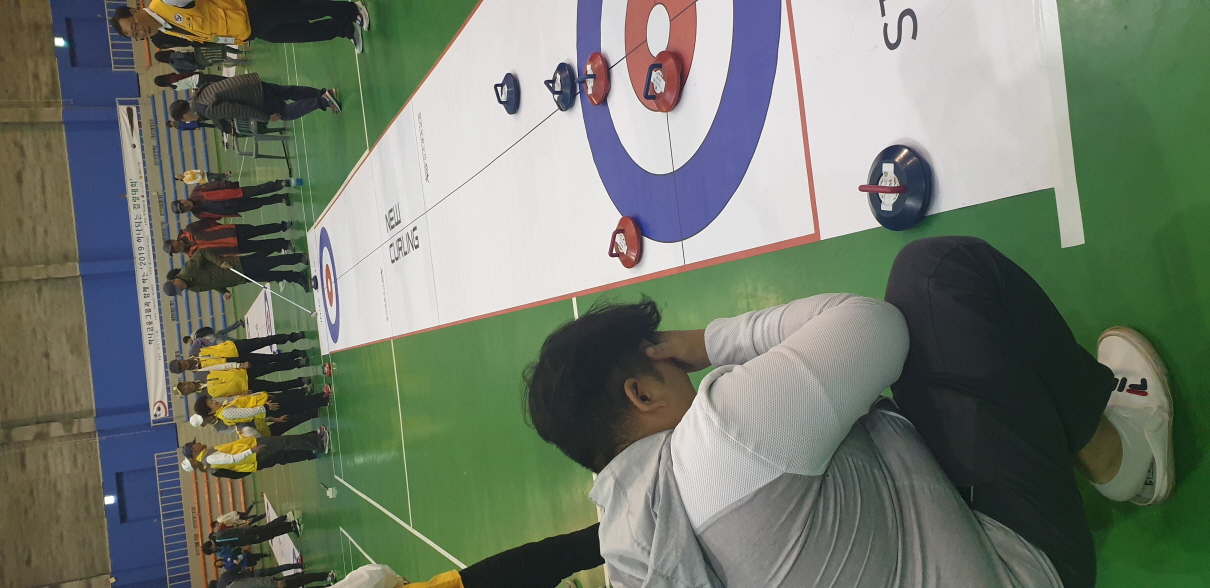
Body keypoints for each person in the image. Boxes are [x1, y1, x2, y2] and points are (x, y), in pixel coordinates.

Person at [522, 236, 1173, 588]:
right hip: (1021, 567)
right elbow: (875, 327)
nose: (684, 371)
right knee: (935, 273)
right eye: (665, 363)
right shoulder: (715, 442)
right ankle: (1124, 460)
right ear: (641, 395)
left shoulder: (641, 562)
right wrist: (712, 342)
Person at [110, 0, 370, 54]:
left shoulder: (167, 3)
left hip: (249, 9)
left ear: (135, 11)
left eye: (135, 26)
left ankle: (351, 10)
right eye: (135, 36)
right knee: (300, 34)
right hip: (248, 31)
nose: (140, 32)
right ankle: (344, 29)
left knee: (303, 9)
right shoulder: (167, 30)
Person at [169, 73, 341, 124]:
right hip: (249, 83)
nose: (187, 121)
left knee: (285, 113)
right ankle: (322, 93)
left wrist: (265, 118)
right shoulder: (198, 94)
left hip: (254, 96)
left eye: (184, 120)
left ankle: (324, 100)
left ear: (185, 115)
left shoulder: (206, 110)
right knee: (286, 91)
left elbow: (238, 110)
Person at [161, 249, 310, 298]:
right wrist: (224, 292)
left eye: (178, 287)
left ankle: (297, 257)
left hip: (237, 266)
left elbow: (202, 253)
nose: (182, 289)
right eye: (180, 291)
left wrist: (220, 263)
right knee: (271, 276)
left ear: (174, 281)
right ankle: (297, 277)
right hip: (238, 279)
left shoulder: (188, 269)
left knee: (271, 263)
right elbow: (213, 284)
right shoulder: (194, 288)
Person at [180, 429, 328, 479]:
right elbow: (232, 458)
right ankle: (318, 443)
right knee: (284, 443)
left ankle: (314, 442)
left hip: (252, 453)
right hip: (254, 453)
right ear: (194, 451)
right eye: (194, 444)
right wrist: (251, 451)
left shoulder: (208, 457)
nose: (197, 443)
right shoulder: (210, 459)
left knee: (284, 448)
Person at [195, 392, 330, 437]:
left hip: (264, 404)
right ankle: (323, 399)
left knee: (293, 401)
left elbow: (247, 401)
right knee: (296, 404)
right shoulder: (226, 413)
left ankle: (320, 398)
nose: (214, 401)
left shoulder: (224, 406)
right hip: (266, 407)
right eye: (211, 403)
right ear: (210, 412)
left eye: (211, 400)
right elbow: (249, 413)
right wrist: (266, 406)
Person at [172, 359, 313, 396]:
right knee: (274, 386)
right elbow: (225, 401)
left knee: (272, 366)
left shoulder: (200, 373)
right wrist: (242, 396)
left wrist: (239, 365)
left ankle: (297, 363)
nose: (186, 386)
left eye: (183, 384)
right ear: (186, 393)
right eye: (184, 389)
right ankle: (301, 382)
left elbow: (221, 366)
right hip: (246, 388)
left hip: (243, 373)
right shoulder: (204, 396)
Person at [170, 178, 295, 220]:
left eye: (182, 204)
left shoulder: (196, 191)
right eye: (183, 209)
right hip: (234, 208)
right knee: (259, 203)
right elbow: (215, 218)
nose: (185, 206)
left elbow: (215, 185)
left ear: (182, 200)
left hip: (235, 194)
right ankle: (280, 198)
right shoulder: (198, 214)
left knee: (259, 189)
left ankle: (280, 184)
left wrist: (230, 185)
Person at [164, 219, 294, 258]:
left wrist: (221, 229)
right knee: (260, 246)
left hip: (231, 231)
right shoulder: (193, 255)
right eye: (174, 252)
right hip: (231, 248)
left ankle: (282, 226)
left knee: (258, 230)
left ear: (174, 241)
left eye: (174, 247)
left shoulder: (189, 230)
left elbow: (207, 222)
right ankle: (284, 244)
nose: (176, 250)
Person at [226, 571, 337, 588]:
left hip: (275, 586)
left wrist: (274, 584)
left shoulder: (234, 586)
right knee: (301, 579)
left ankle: (326, 576)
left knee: (301, 579)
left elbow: (254, 582)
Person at [156, 72, 226, 91]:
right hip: (198, 78)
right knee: (220, 79)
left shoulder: (175, 88)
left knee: (219, 85)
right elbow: (186, 75)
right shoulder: (173, 78)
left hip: (198, 85)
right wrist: (197, 73)